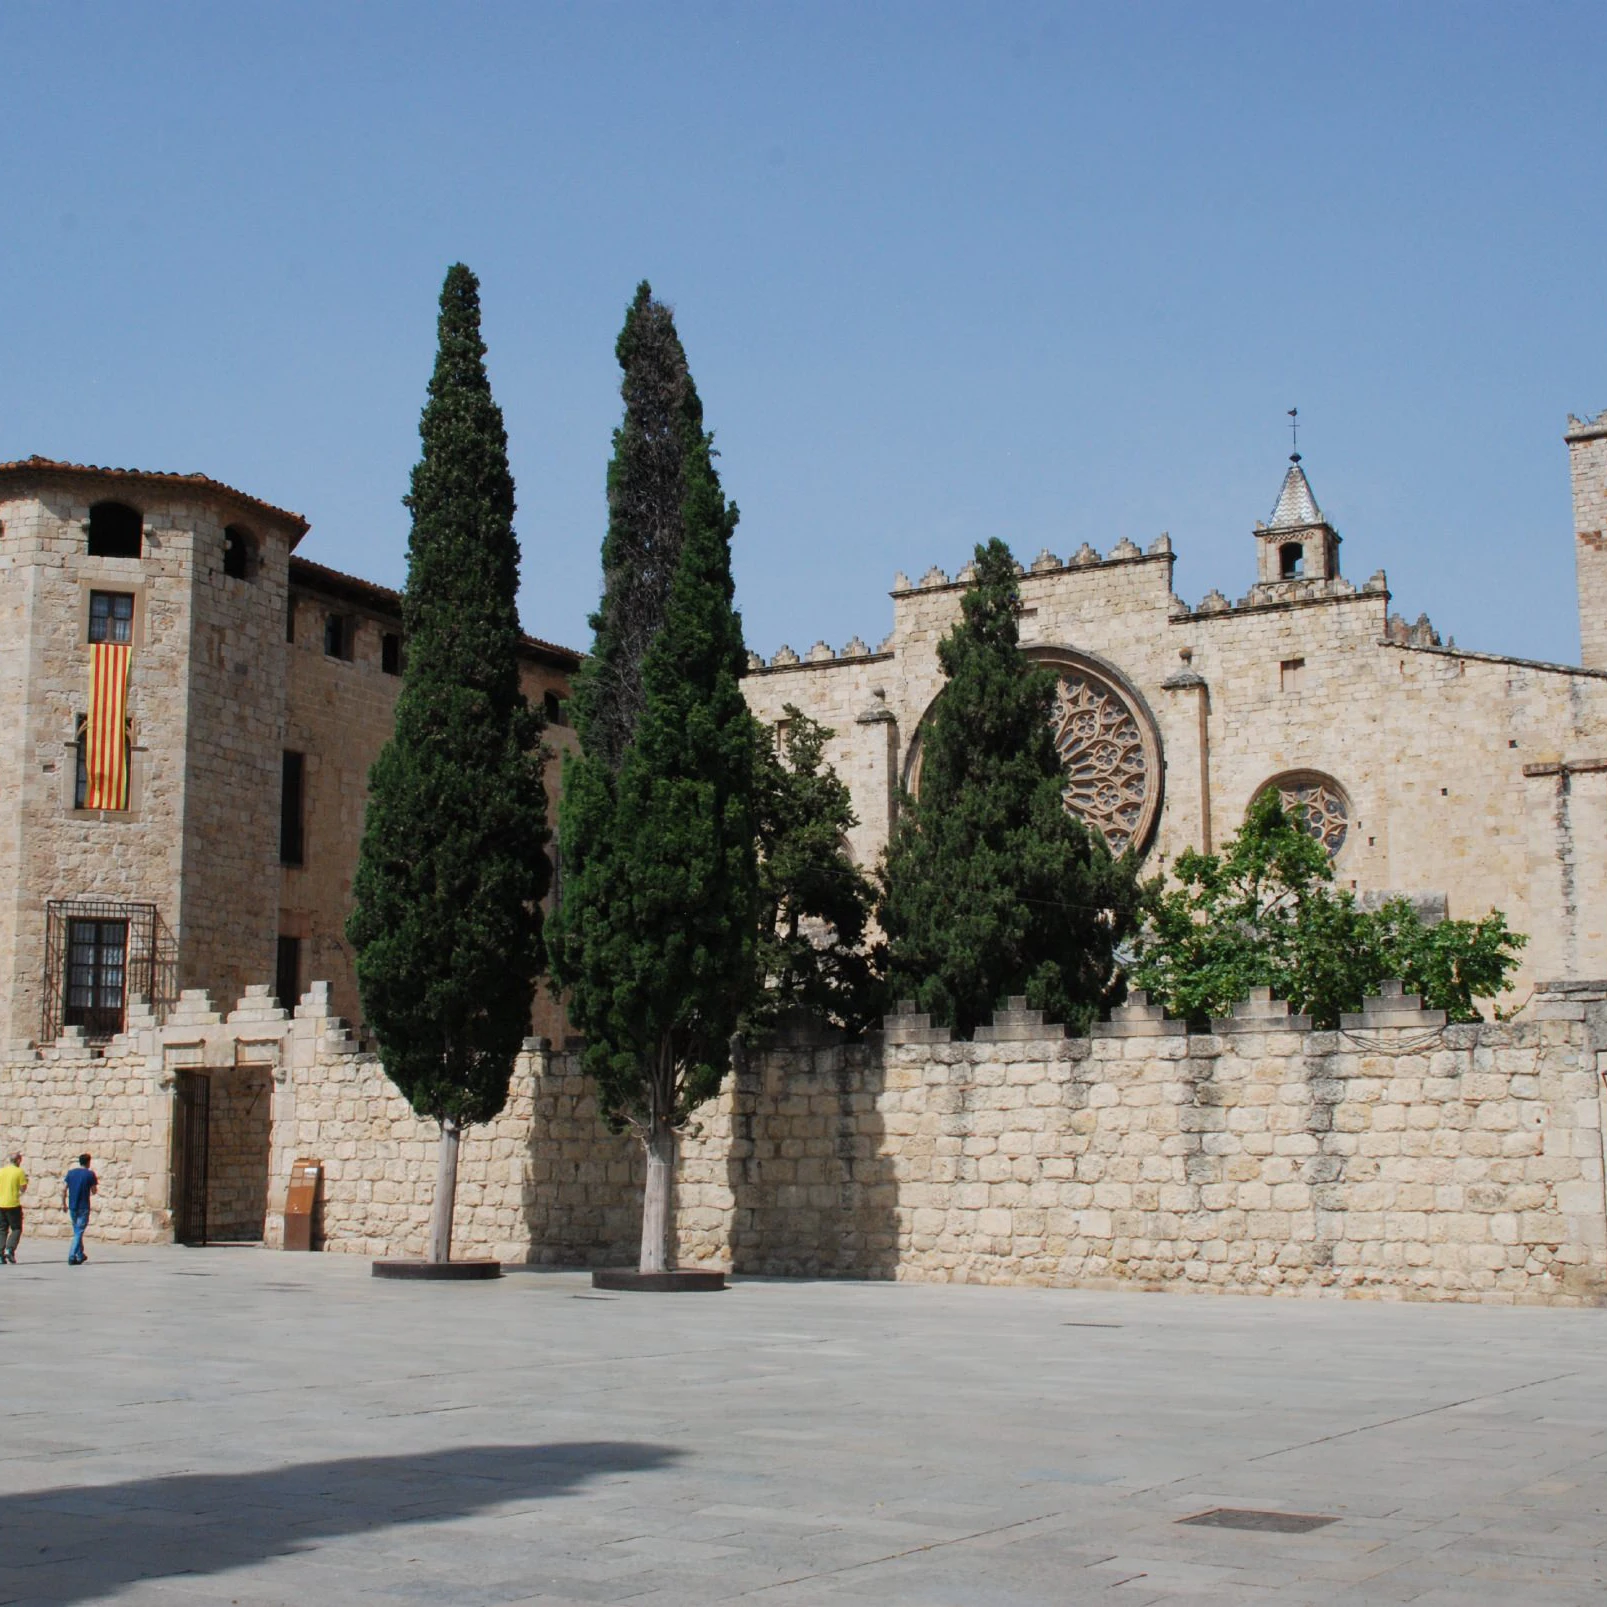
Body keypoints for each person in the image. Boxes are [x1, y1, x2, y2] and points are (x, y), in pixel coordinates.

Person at [62, 1154, 98, 1266]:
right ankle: (72, 1256)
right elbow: (94, 1191)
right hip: (83, 1206)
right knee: (79, 1232)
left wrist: (63, 1203)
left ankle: (80, 1254)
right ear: (88, 1162)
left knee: (77, 1231)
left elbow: (63, 1189)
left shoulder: (71, 1173)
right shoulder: (90, 1174)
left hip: (72, 1206)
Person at [0, 1153, 27, 1264]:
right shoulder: (19, 1171)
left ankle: (0, 1253)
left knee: (2, 1229)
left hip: (1, 1204)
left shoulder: (2, 1171)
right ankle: (10, 1249)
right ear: (18, 1160)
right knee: (16, 1228)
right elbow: (23, 1189)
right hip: (13, 1204)